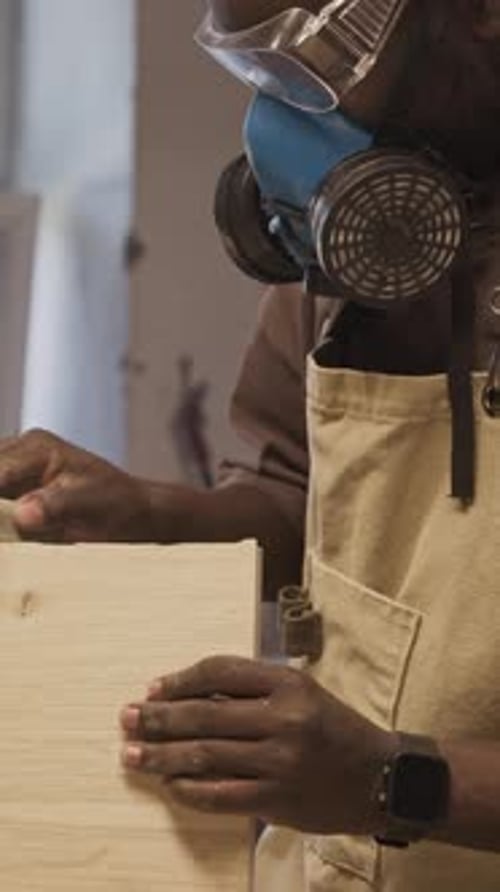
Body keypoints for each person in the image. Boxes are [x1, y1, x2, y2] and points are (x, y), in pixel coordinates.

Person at [1, 1, 500, 889]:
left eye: (330, 54)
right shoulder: (346, 268)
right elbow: (309, 504)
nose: (295, 114)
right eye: (267, 67)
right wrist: (148, 515)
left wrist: (396, 782)